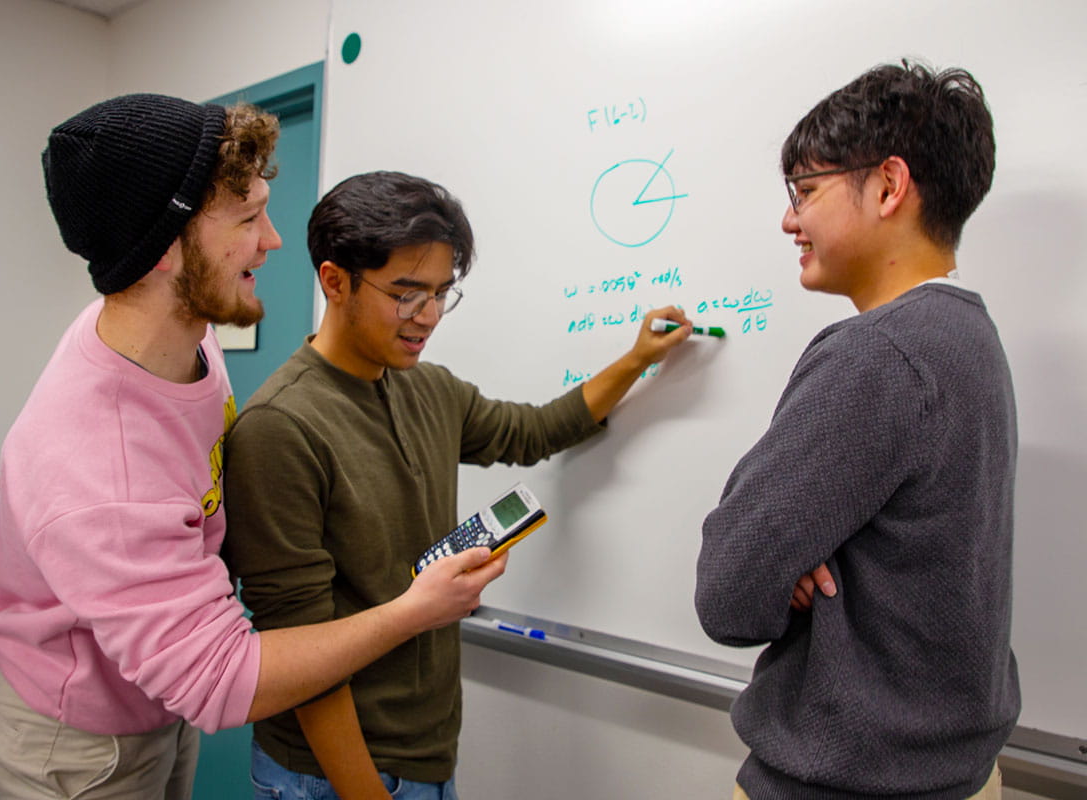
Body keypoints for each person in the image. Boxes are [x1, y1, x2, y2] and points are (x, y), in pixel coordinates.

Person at [0, 96, 506, 800]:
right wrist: (415, 609)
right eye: (248, 218)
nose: (274, 240)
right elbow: (223, 679)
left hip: (155, 707)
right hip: (73, 748)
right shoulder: (99, 461)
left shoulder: (182, 335)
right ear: (164, 247)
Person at [221, 170, 693, 799]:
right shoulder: (280, 428)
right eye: (407, 293)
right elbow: (299, 655)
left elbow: (535, 431)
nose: (429, 316)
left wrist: (637, 360)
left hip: (427, 757)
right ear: (335, 281)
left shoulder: (429, 388)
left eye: (443, 292)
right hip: (330, 775)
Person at [694, 61, 1020, 800]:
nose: (789, 219)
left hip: (848, 784)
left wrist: (782, 562)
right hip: (954, 774)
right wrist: (797, 555)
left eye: (805, 192)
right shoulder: (968, 335)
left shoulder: (879, 353)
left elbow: (727, 593)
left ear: (888, 185)